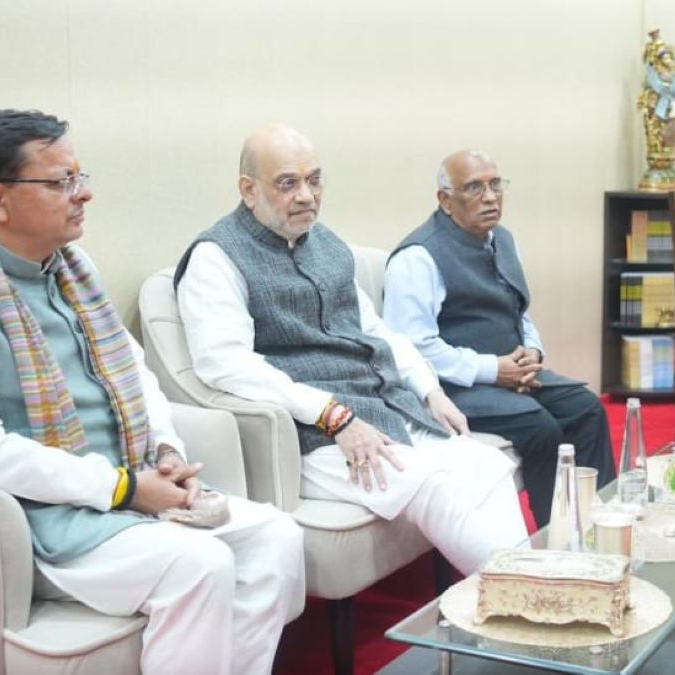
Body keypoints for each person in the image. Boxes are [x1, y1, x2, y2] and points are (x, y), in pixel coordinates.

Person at [0, 110, 305, 674]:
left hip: (128, 485)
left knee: (277, 537)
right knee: (200, 565)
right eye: (62, 182)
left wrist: (167, 451)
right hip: (44, 522)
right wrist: (124, 489)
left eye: (80, 176)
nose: (84, 193)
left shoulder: (70, 268)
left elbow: (136, 373)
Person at [174, 125, 528, 575]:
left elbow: (374, 328)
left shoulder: (325, 243)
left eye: (314, 180)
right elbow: (226, 364)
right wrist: (331, 415)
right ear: (248, 189)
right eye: (287, 183)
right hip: (315, 435)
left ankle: (525, 593)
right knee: (431, 486)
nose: (306, 196)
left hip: (383, 405)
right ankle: (527, 595)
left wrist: (429, 390)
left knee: (484, 465)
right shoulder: (215, 257)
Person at [382, 150, 617, 527]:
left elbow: (518, 311)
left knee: (586, 408)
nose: (490, 197)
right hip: (451, 388)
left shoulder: (503, 239)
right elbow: (411, 347)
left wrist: (533, 351)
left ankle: (599, 525)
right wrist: (493, 370)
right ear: (445, 200)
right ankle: (555, 537)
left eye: (495, 184)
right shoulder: (417, 258)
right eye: (474, 188)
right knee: (540, 426)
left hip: (512, 373)